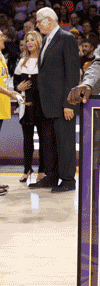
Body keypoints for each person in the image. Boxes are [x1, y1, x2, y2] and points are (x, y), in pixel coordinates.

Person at [28, 7, 80, 193]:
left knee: (64, 143)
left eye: (39, 21)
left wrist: (69, 104)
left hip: (62, 105)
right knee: (48, 143)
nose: (37, 25)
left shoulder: (67, 39)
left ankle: (67, 180)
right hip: (46, 105)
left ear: (49, 20)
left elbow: (73, 74)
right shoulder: (47, 41)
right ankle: (51, 177)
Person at [13, 31, 45, 183]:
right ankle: (27, 169)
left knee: (44, 139)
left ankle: (43, 170)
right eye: (27, 40)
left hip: (42, 106)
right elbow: (15, 84)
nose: (29, 42)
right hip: (26, 106)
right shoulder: (22, 61)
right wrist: (18, 87)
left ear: (38, 41)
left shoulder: (44, 60)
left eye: (32, 40)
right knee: (27, 140)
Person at [0, 30, 24, 195]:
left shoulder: (1, 55)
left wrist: (12, 91)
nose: (3, 38)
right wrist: (11, 93)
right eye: (0, 35)